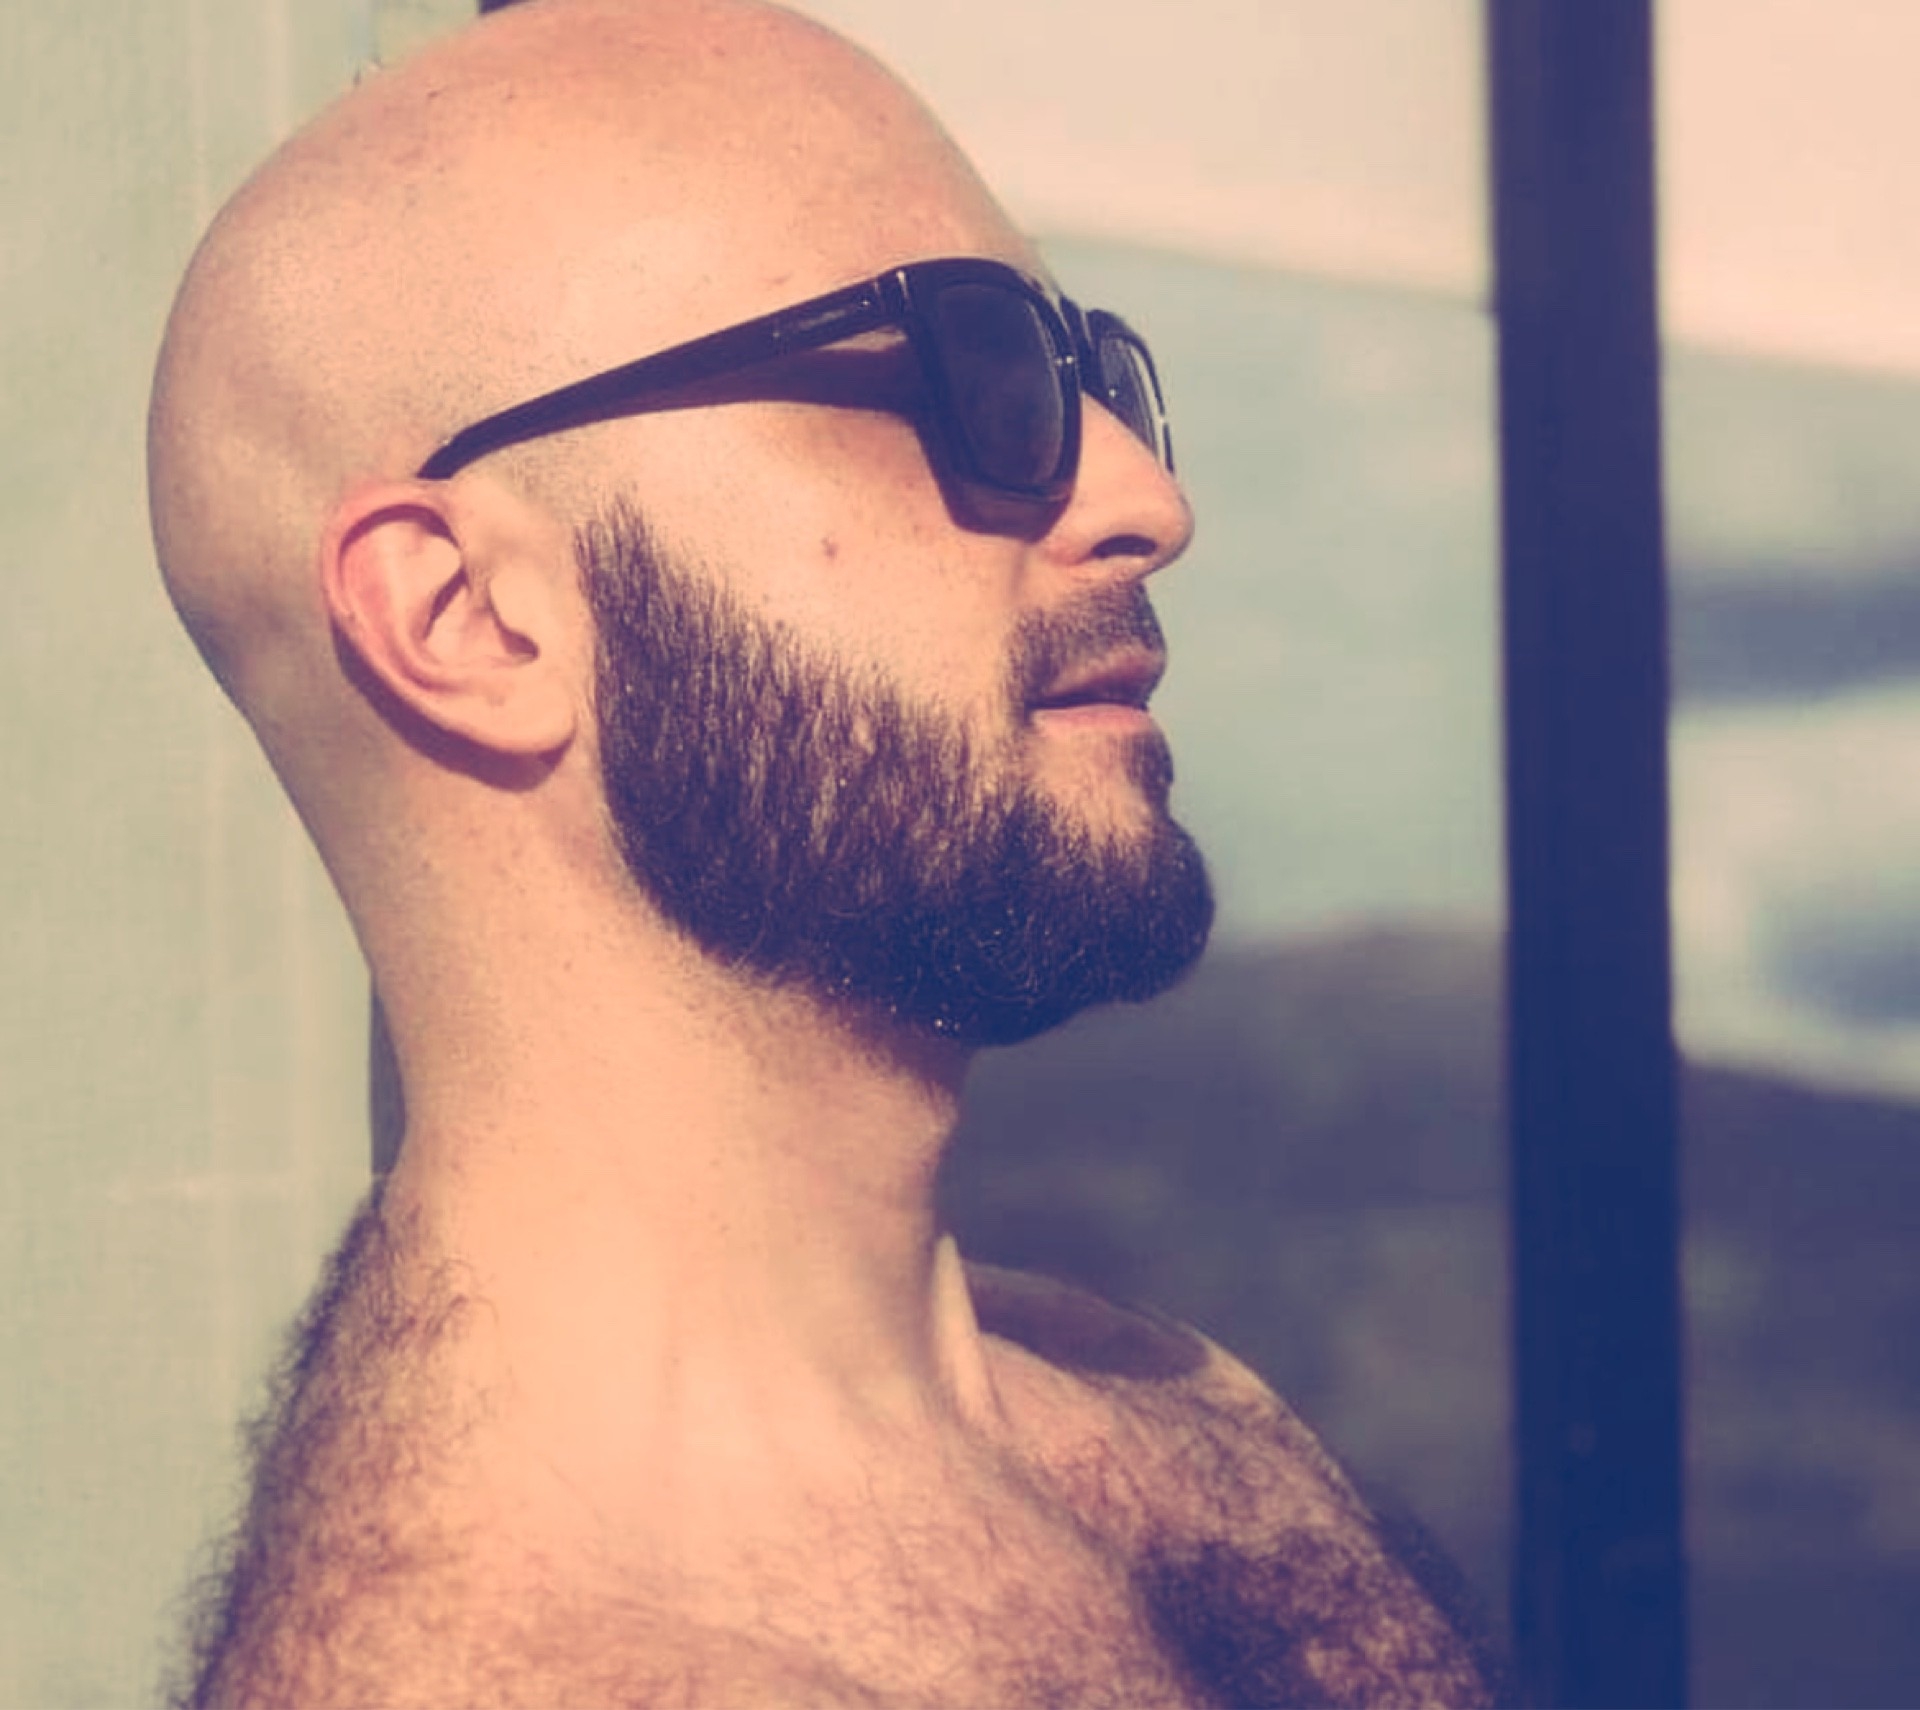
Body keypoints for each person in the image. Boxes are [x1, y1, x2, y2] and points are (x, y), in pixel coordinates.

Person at [148, 0, 1500, 1702]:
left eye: (1089, 371)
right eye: (960, 367)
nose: (1145, 500)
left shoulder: (1162, 1408)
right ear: (467, 617)